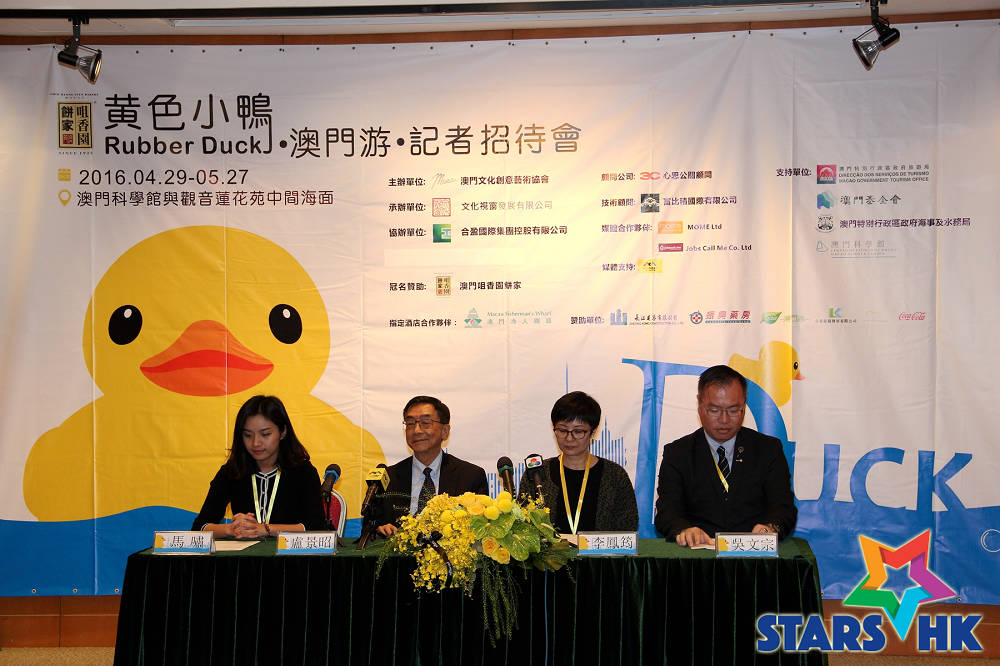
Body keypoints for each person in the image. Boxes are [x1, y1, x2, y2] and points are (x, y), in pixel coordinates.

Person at [654, 365, 796, 547]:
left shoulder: (768, 449)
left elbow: (783, 507)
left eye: (733, 410)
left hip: (753, 554)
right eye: (714, 410)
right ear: (699, 405)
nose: (724, 420)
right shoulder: (678, 453)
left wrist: (770, 528)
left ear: (744, 405)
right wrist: (684, 530)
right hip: (698, 554)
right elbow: (667, 511)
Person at [192, 395, 325, 537]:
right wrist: (231, 529)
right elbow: (200, 527)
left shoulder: (303, 472)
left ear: (283, 432)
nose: (256, 443)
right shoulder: (232, 471)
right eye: (248, 435)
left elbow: (317, 527)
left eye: (265, 434)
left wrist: (265, 529)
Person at [518, 391, 638, 533]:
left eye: (578, 431)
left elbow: (628, 527)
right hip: (551, 549)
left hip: (600, 549)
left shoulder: (615, 475)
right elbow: (523, 527)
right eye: (562, 430)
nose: (569, 438)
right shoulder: (537, 473)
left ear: (593, 432)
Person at [374, 396, 489, 537]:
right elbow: (368, 532)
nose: (416, 430)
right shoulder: (387, 478)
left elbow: (481, 532)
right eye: (410, 423)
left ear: (445, 431)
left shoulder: (470, 477)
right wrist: (378, 532)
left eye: (425, 423)